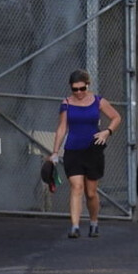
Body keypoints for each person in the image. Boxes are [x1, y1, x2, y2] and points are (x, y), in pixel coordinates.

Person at [50, 69, 122, 238]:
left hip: (92, 150)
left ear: (87, 85)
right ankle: (74, 226)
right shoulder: (66, 103)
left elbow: (116, 117)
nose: (79, 93)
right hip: (73, 150)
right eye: (75, 89)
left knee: (91, 192)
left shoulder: (98, 101)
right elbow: (62, 128)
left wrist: (107, 132)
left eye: (82, 89)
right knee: (76, 187)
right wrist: (55, 151)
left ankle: (94, 222)